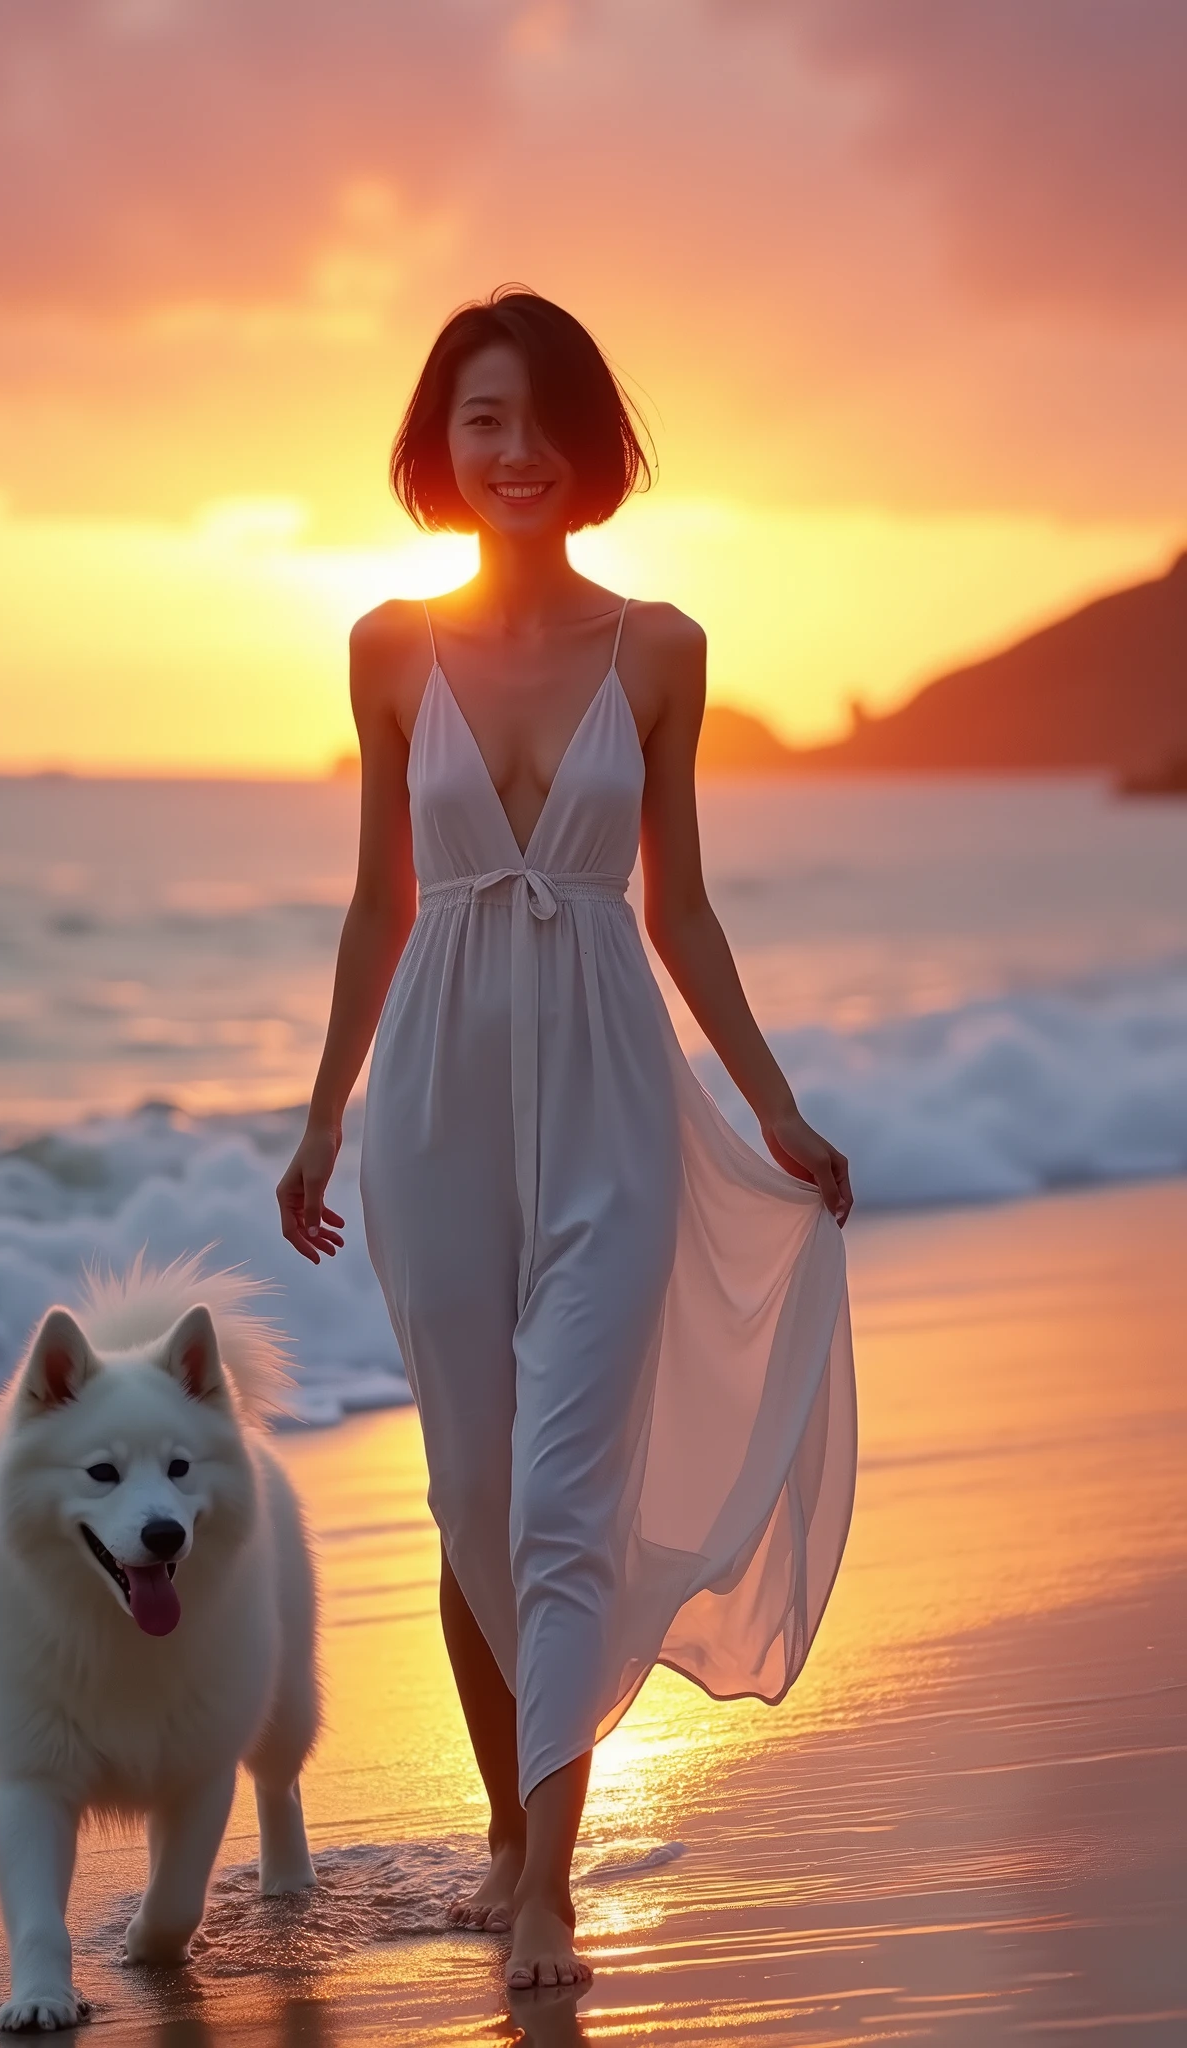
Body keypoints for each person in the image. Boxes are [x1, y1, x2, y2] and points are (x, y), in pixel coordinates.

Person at [276, 287, 856, 1993]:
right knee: (474, 1495)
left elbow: (680, 911)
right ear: (438, 448)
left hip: (612, 1100)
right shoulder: (387, 646)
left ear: (590, 447)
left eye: (540, 420)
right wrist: (322, 1119)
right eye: (479, 418)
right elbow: (379, 903)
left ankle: (549, 1887)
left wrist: (769, 1100)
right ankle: (510, 1834)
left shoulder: (660, 647)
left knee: (566, 1499)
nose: (512, 450)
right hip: (436, 1109)